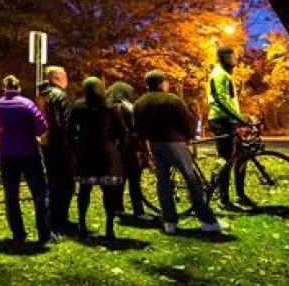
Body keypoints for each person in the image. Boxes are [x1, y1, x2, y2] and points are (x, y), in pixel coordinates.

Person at [134, 70, 228, 234]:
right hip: (175, 143)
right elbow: (186, 120)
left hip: (156, 144)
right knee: (192, 180)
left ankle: (169, 221)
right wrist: (190, 135)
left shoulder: (140, 102)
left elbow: (138, 127)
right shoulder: (171, 99)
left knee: (163, 182)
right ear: (161, 83)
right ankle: (207, 220)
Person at [0, 75, 53, 245]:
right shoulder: (27, 104)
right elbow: (41, 127)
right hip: (28, 151)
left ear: (4, 88)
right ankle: (44, 233)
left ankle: (18, 233)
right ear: (19, 88)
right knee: (39, 193)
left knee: (11, 195)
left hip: (6, 153)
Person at [67, 77, 125, 240]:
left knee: (84, 191)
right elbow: (123, 131)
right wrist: (119, 149)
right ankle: (109, 227)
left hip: (85, 153)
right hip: (107, 153)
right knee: (109, 192)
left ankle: (82, 225)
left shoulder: (78, 106)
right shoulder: (110, 107)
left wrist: (74, 148)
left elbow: (69, 131)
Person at [105, 81, 154, 222]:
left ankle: (118, 209)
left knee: (119, 182)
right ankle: (138, 210)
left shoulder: (106, 107)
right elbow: (135, 128)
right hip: (129, 149)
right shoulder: (127, 108)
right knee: (134, 180)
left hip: (113, 150)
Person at [206, 45, 249, 205]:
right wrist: (239, 117)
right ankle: (222, 198)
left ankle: (240, 195)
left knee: (241, 155)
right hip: (221, 120)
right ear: (225, 58)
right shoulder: (219, 75)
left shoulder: (225, 74)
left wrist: (239, 118)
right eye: (233, 56)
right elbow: (222, 100)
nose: (236, 59)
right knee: (226, 158)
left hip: (229, 119)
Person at [40, 66, 75, 233]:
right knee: (65, 184)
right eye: (65, 76)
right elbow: (65, 124)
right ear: (58, 78)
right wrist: (70, 144)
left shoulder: (41, 95)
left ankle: (50, 217)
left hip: (45, 144)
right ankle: (60, 219)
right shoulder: (60, 96)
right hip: (60, 146)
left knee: (51, 183)